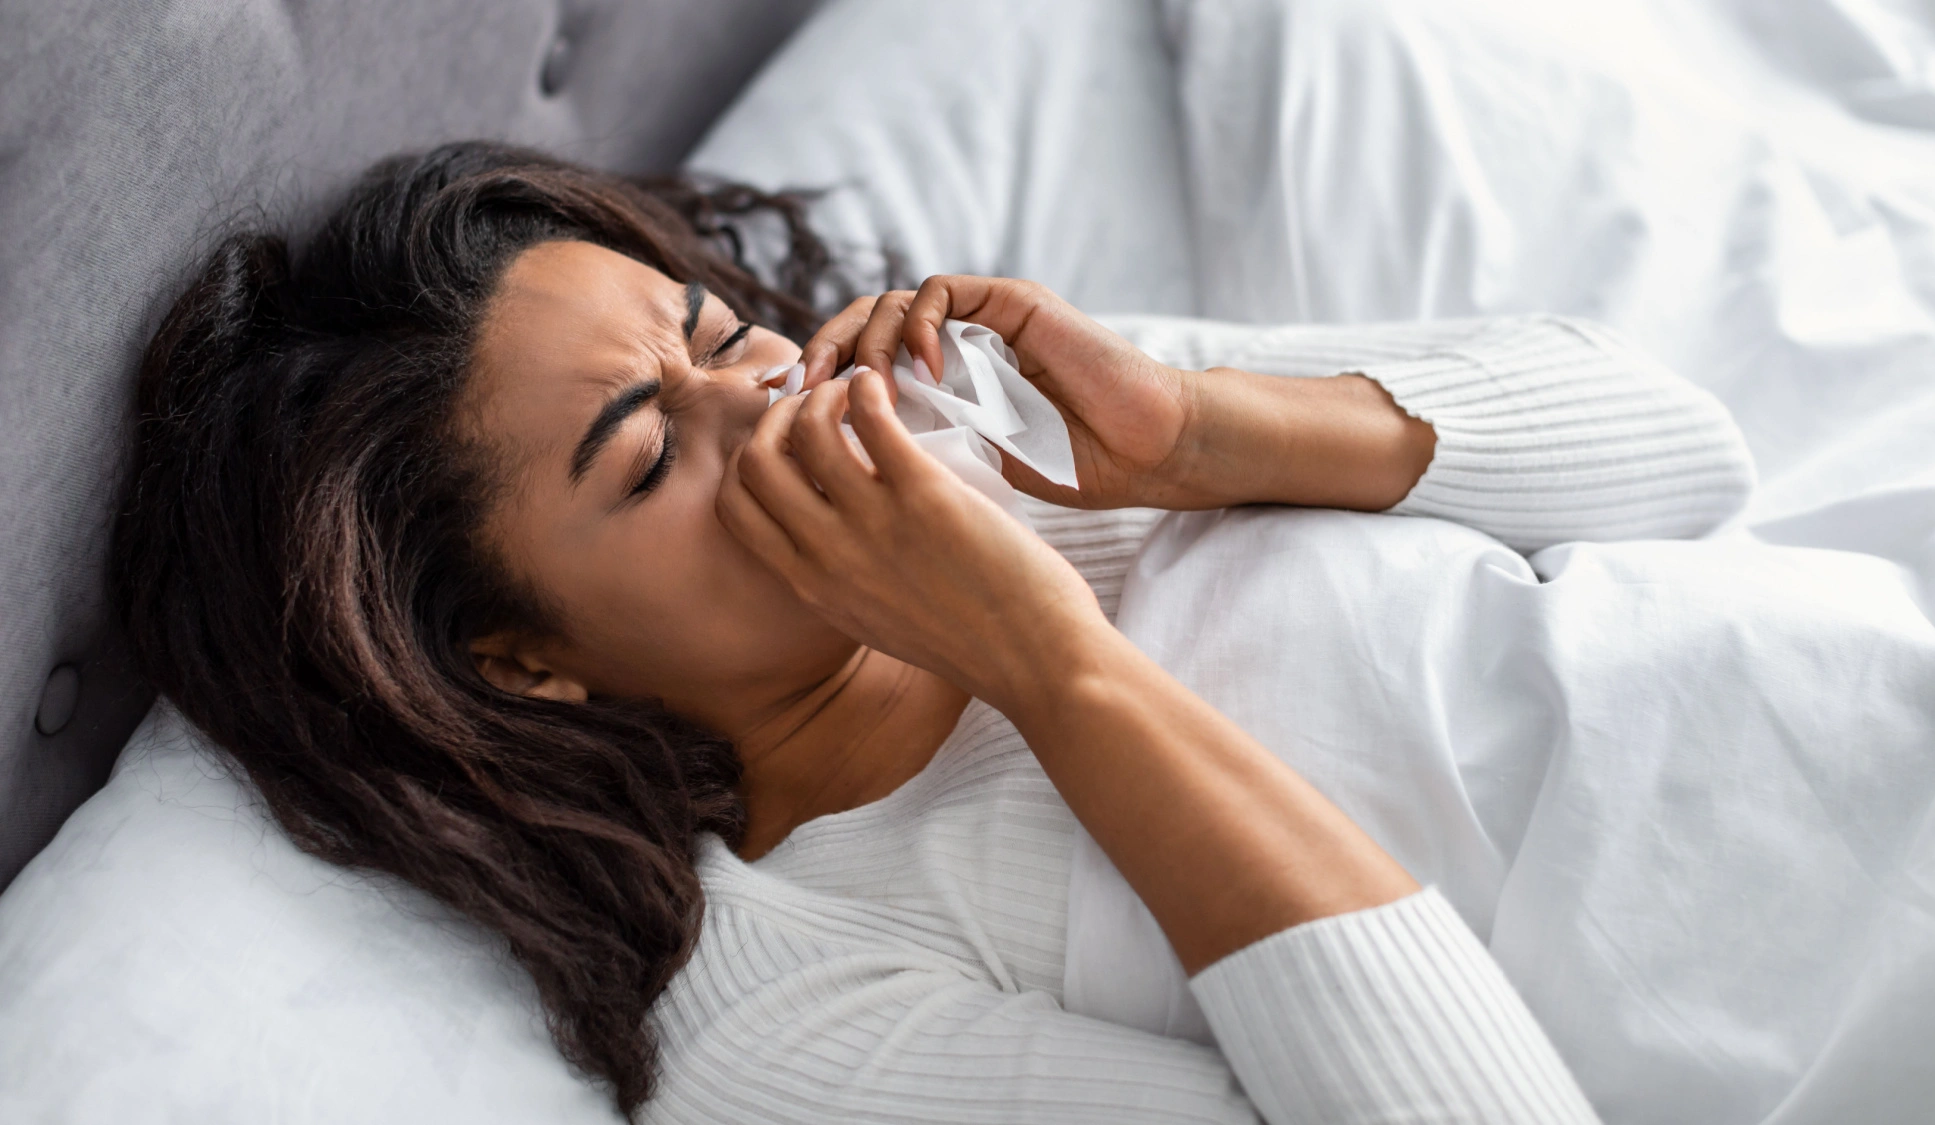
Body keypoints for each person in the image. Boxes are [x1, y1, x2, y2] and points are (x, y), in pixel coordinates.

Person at [114, 141, 1750, 1123]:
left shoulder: (1030, 432)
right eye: (648, 452)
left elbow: (1690, 462)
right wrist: (1054, 670)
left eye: (711, 332)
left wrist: (1193, 430)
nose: (756, 394)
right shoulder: (783, 1017)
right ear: (525, 661)